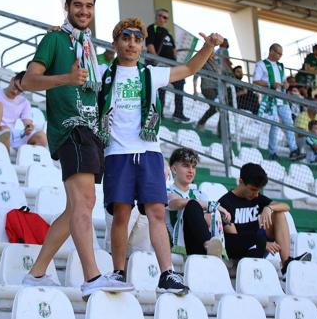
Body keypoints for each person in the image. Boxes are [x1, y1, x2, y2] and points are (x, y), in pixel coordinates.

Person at [19, 0, 132, 297]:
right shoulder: (55, 39)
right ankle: (93, 277)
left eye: (89, 6)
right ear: (67, 7)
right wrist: (65, 79)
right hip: (70, 128)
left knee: (75, 209)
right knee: (84, 203)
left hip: (91, 131)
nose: (83, 11)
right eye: (78, 5)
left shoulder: (88, 45)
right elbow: (28, 80)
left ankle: (37, 273)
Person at [98, 17, 224, 294]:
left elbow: (190, 68)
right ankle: (118, 272)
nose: (131, 43)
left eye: (137, 39)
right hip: (117, 153)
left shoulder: (151, 74)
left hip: (149, 151)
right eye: (126, 37)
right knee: (121, 214)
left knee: (156, 211)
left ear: (143, 45)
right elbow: (73, 67)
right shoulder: (102, 73)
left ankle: (167, 273)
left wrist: (208, 47)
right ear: (116, 42)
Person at [218, 163, 310, 275]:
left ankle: (286, 263)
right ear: (241, 182)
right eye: (252, 189)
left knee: (278, 213)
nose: (256, 194)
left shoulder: (256, 197)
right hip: (240, 250)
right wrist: (262, 243)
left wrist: (269, 208)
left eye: (258, 190)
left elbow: (286, 206)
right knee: (246, 238)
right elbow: (235, 240)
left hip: (259, 244)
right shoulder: (225, 202)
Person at [167, 147, 230, 258]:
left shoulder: (199, 194)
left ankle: (210, 247)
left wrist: (202, 212)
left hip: (197, 243)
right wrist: (211, 205)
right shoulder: (167, 191)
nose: (191, 171)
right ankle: (208, 245)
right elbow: (175, 203)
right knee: (191, 204)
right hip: (178, 244)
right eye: (186, 166)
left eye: (193, 167)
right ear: (174, 169)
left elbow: (209, 219)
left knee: (194, 205)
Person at [253, 44, 303, 161]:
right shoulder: (261, 64)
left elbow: (283, 80)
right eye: (278, 53)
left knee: (289, 123)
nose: (280, 56)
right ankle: (273, 152)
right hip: (270, 99)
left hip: (282, 98)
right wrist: (270, 84)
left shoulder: (280, 66)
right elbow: (255, 81)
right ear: (271, 51)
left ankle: (294, 150)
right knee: (275, 125)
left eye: (281, 54)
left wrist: (286, 84)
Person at [0, 71, 48, 149]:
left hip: (10, 133)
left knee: (42, 137)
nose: (15, 91)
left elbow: (27, 122)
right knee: (6, 131)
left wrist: (28, 127)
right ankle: (4, 157)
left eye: (20, 91)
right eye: (15, 86)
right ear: (12, 80)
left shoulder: (24, 102)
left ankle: (29, 160)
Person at [146, 8, 189, 122]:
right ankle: (159, 114)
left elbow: (174, 49)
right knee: (161, 89)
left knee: (180, 84)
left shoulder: (167, 32)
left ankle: (178, 113)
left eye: (165, 17)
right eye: (160, 16)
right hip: (160, 64)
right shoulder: (152, 28)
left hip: (171, 65)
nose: (162, 19)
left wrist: (175, 61)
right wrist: (156, 58)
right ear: (156, 16)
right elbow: (149, 44)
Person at [194, 40, 230, 133]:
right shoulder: (202, 60)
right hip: (207, 88)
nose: (212, 50)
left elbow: (224, 73)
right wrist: (194, 91)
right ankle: (201, 123)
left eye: (213, 49)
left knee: (224, 108)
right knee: (215, 107)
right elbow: (195, 75)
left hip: (218, 89)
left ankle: (222, 132)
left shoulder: (217, 60)